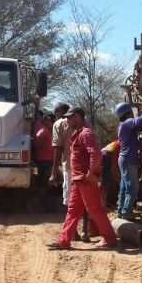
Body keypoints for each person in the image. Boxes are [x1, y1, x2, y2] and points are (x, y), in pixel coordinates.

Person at [49, 108, 118, 250]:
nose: (67, 121)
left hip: (85, 181)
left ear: (77, 117)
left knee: (94, 210)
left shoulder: (86, 134)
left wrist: (91, 172)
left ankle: (110, 239)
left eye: (69, 118)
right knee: (73, 211)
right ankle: (64, 241)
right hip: (78, 180)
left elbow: (96, 154)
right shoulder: (78, 133)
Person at [49, 101, 89, 240]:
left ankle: (74, 233)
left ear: (61, 111)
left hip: (69, 167)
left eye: (56, 113)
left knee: (70, 201)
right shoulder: (84, 122)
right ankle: (85, 231)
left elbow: (58, 149)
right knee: (85, 199)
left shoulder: (58, 124)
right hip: (84, 168)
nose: (56, 116)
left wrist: (54, 171)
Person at [32, 98, 55, 185]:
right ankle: (44, 193)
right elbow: (38, 136)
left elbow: (36, 117)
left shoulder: (38, 123)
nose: (52, 125)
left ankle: (43, 190)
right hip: (45, 158)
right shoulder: (44, 129)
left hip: (43, 157)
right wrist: (43, 145)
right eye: (51, 122)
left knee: (43, 175)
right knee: (44, 177)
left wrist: (36, 107)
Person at [99, 139, 120, 208]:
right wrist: (120, 182)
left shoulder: (118, 142)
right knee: (103, 183)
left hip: (103, 154)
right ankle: (103, 206)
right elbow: (114, 168)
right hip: (105, 156)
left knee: (103, 181)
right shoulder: (122, 144)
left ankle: (102, 205)